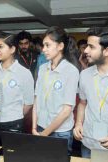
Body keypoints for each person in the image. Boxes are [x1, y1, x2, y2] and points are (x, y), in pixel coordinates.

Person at [73, 27, 108, 158]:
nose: (85, 51)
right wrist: (79, 123)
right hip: (88, 144)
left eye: (91, 47)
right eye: (86, 46)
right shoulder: (85, 75)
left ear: (107, 50)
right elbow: (82, 103)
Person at [32, 26, 80, 155]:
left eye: (47, 45)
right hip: (40, 127)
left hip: (60, 132)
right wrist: (34, 127)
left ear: (60, 46)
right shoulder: (42, 69)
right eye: (43, 45)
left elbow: (66, 111)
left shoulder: (71, 71)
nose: (43, 50)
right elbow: (36, 100)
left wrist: (45, 134)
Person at [0, 34, 34, 146]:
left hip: (13, 124)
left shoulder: (24, 73)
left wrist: (14, 115)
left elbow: (29, 103)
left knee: (12, 157)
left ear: (12, 49)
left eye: (1, 47)